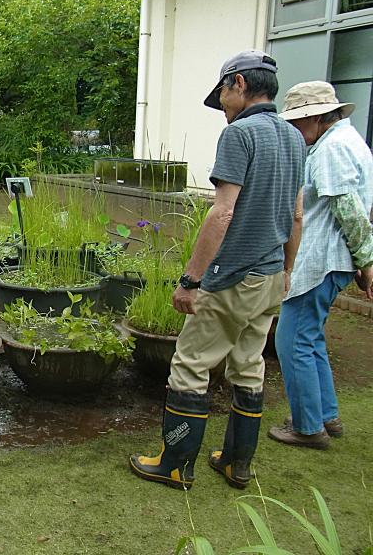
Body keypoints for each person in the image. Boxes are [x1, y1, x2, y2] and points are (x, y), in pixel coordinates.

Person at [129, 50, 306, 490]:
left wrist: (191, 280)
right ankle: (235, 463)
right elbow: (296, 214)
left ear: (239, 84)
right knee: (248, 366)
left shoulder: (240, 134)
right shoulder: (293, 137)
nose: (223, 106)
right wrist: (287, 269)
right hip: (270, 276)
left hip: (233, 277)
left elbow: (222, 212)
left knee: (190, 365)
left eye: (222, 95)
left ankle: (174, 465)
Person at [268, 81, 373, 449]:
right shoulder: (349, 141)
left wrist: (368, 261)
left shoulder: (332, 149)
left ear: (316, 117)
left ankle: (308, 426)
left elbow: (349, 209)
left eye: (298, 122)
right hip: (333, 259)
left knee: (292, 340)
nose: (295, 130)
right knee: (310, 338)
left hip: (322, 259)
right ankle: (325, 414)